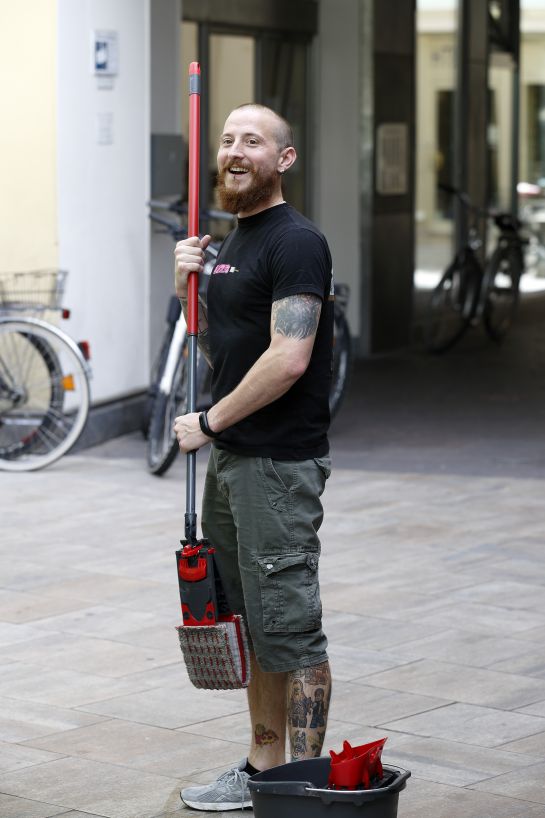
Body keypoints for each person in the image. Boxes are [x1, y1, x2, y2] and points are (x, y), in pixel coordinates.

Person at [173, 103, 334, 812]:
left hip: (273, 465)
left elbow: (288, 359)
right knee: (250, 624)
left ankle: (304, 787)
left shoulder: (296, 242)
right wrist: (188, 284)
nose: (236, 150)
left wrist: (208, 421)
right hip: (233, 461)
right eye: (228, 139)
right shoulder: (231, 242)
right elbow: (220, 346)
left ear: (284, 159)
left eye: (253, 141)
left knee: (289, 628)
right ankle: (261, 768)